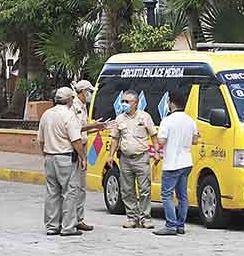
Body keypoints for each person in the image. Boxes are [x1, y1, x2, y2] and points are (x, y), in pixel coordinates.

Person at [106, 90, 160, 229]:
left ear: (135, 103)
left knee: (145, 190)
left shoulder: (145, 117)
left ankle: (145, 218)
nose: (124, 104)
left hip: (141, 158)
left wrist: (157, 152)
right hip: (125, 159)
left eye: (127, 101)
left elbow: (153, 136)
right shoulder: (120, 119)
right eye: (122, 101)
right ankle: (132, 218)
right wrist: (110, 155)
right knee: (127, 190)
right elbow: (115, 139)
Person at [38, 87, 86, 237]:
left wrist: (45, 154)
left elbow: (41, 140)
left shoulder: (46, 114)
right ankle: (68, 226)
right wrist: (83, 157)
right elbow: (76, 140)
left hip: (49, 156)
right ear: (69, 100)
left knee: (52, 192)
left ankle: (52, 226)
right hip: (65, 157)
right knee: (70, 192)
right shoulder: (69, 115)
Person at [153, 91, 199, 236]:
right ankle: (180, 225)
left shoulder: (167, 120)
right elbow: (195, 140)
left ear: (171, 104)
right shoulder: (190, 120)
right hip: (186, 162)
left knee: (166, 195)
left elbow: (161, 141)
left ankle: (170, 224)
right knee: (182, 195)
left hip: (172, 163)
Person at [70, 79, 107, 232]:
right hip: (76, 147)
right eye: (89, 92)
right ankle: (72, 219)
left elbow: (83, 130)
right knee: (74, 186)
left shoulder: (83, 107)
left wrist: (99, 127)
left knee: (81, 187)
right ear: (83, 92)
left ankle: (79, 218)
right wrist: (93, 125)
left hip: (83, 145)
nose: (91, 95)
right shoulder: (74, 107)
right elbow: (76, 128)